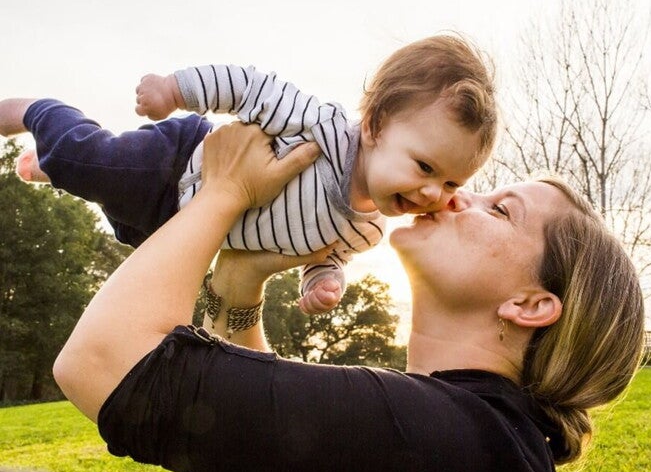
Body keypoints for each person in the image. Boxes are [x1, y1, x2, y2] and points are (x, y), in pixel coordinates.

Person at [22, 120, 641, 472]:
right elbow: (266, 431)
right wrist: (240, 289)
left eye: (500, 209)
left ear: (531, 305)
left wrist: (225, 190)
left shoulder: (448, 435)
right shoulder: (480, 440)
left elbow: (103, 362)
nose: (457, 195)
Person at [7, 33, 498, 320]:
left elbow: (326, 257)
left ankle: (56, 169)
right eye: (426, 167)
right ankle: (38, 111)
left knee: (108, 203)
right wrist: (174, 90)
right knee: (91, 163)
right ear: (374, 126)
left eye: (453, 183)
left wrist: (324, 281)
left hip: (180, 224)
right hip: (179, 162)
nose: (434, 192)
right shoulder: (321, 128)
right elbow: (250, 87)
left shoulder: (367, 230)